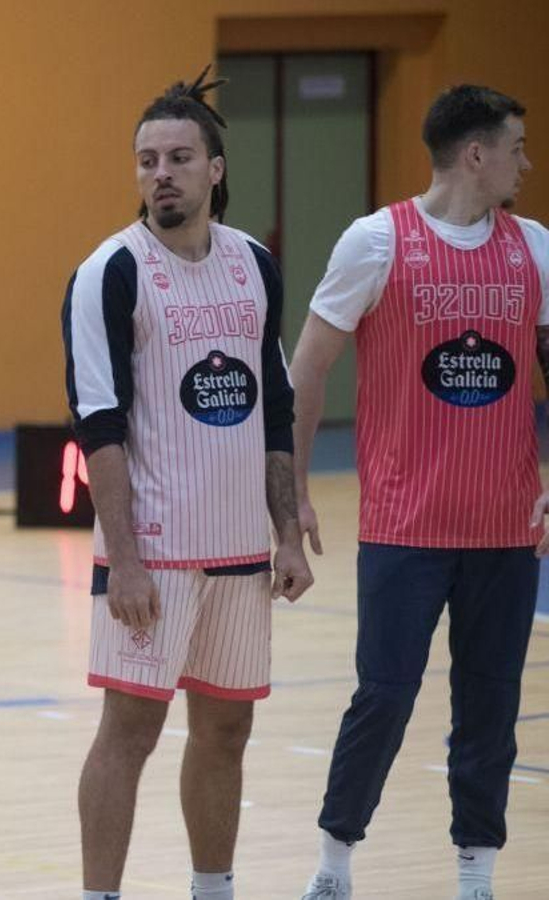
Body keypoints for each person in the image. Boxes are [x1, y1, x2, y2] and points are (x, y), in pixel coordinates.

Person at [61, 68, 311, 900]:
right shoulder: (111, 271)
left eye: (176, 157)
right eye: (145, 161)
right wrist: (123, 558)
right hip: (156, 557)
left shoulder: (256, 267)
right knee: (130, 730)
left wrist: (286, 532)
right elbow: (97, 423)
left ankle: (215, 890)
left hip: (242, 550)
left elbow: (274, 407)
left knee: (227, 730)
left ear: (215, 170)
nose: (159, 173)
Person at [293, 85, 547, 900]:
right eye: (516, 146)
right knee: (384, 700)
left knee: (491, 716)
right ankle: (334, 866)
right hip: (406, 526)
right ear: (476, 154)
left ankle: (476, 877)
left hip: (506, 530)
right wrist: (291, 494)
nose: (526, 162)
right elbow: (307, 373)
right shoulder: (376, 243)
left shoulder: (535, 249)